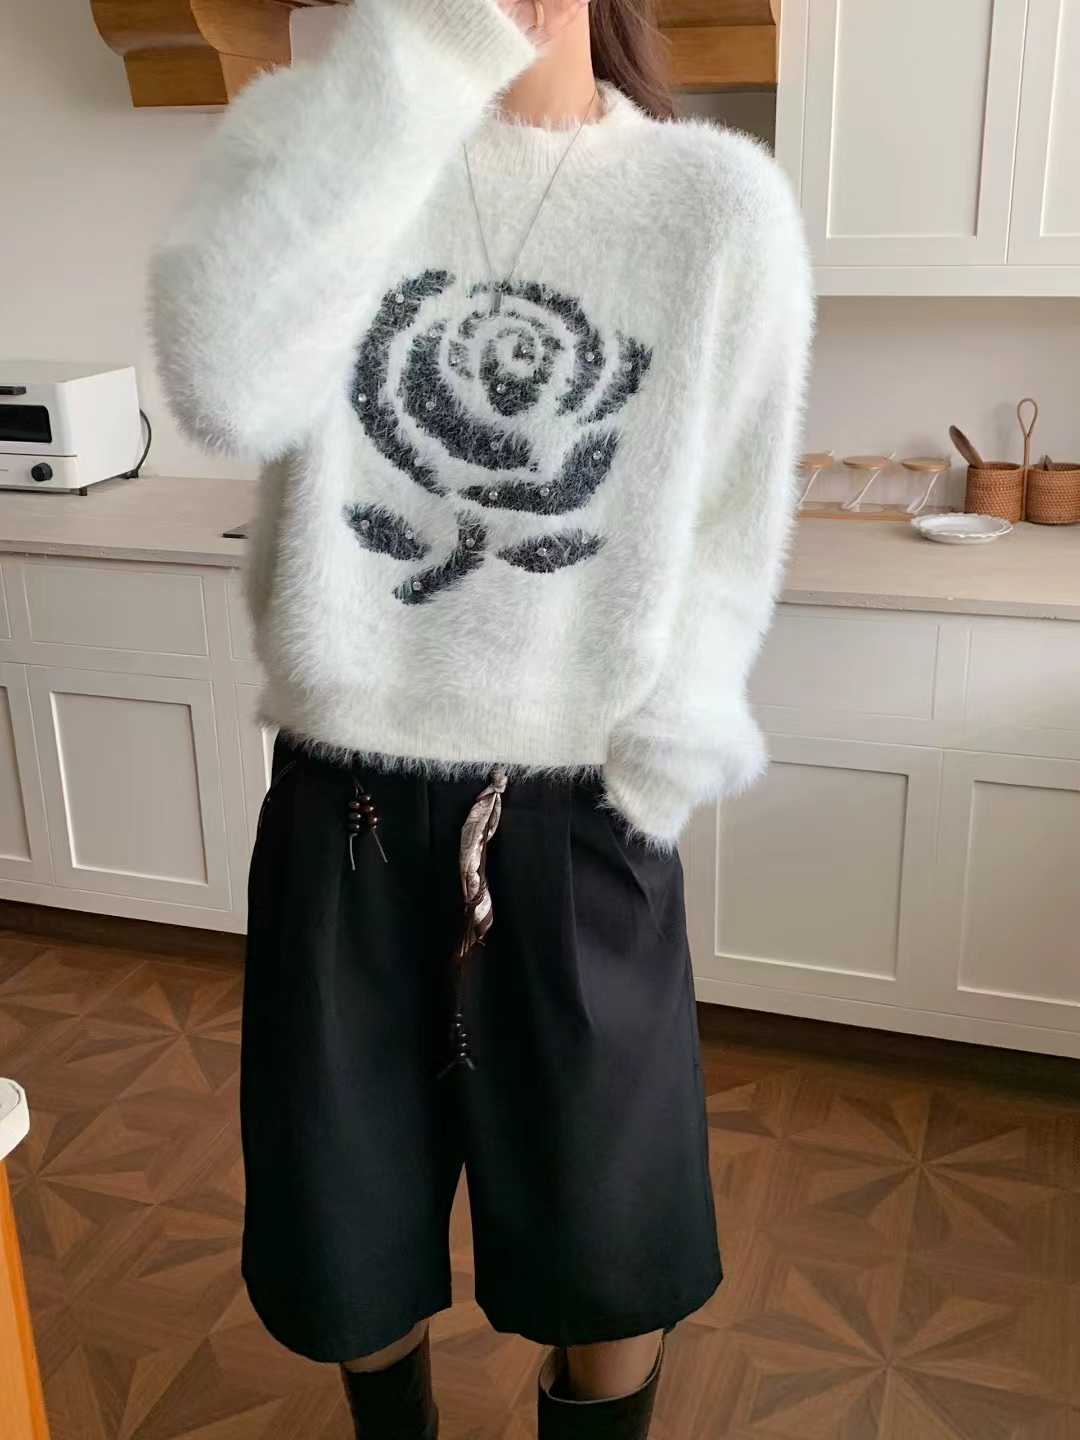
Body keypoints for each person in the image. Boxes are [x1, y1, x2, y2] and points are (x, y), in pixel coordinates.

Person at [149, 0, 813, 1434]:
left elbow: (733, 514)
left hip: (583, 809)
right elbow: (223, 390)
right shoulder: (319, 139)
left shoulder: (714, 202)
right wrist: (418, 65)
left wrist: (662, 760)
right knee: (346, 1222)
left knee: (611, 1236)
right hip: (348, 802)